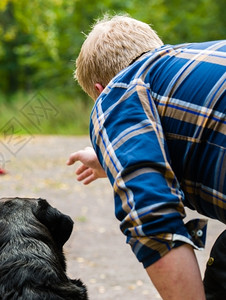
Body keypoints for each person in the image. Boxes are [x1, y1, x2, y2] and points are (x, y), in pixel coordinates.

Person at [67, 15, 225, 300]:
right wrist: (108, 159)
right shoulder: (200, 56)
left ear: (99, 91)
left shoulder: (117, 92)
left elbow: (151, 215)